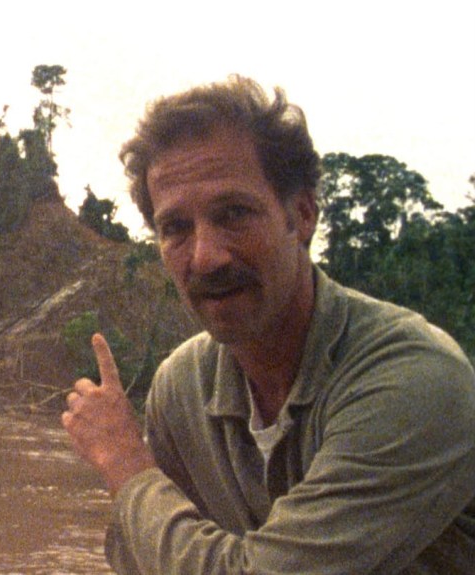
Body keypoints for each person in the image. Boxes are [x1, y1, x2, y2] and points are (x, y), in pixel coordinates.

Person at [61, 75, 475, 574]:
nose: (206, 257)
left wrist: (128, 468)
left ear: (301, 215)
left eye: (234, 213)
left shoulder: (415, 379)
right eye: (175, 228)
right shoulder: (181, 389)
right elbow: (145, 560)